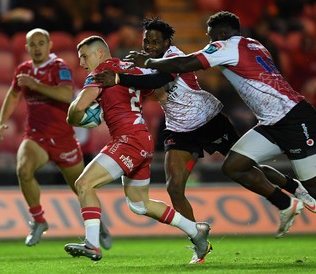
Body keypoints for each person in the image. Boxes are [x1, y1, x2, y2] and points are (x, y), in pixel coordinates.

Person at [125, 11, 316, 263]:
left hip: (293, 119)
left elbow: (182, 65)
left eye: (211, 38)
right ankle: (286, 196)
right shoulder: (254, 43)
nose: (210, 44)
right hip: (270, 123)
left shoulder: (226, 46)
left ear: (222, 35)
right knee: (234, 166)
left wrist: (146, 63)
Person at [93, 18, 316, 240]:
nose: (150, 46)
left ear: (167, 43)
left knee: (247, 165)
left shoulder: (174, 56)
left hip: (208, 120)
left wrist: (118, 77)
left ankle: (291, 189)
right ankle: (197, 239)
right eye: (146, 42)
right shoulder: (145, 60)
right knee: (174, 188)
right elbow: (140, 85)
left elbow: (156, 81)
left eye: (155, 42)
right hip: (178, 129)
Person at [64, 35, 211, 264]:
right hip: (143, 139)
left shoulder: (100, 73)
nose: (82, 63)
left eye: (84, 56)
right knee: (139, 204)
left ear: (100, 54)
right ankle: (196, 231)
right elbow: (154, 88)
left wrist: (75, 117)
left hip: (128, 139)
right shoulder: (131, 70)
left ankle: (92, 243)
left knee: (84, 184)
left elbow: (78, 108)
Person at [0, 28, 111, 249]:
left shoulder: (59, 67)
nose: (36, 48)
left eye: (41, 43)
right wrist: (2, 120)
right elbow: (13, 94)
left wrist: (35, 85)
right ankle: (39, 221)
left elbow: (66, 95)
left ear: (49, 46)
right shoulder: (24, 69)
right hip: (36, 136)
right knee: (23, 170)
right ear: (27, 48)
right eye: (32, 44)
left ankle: (98, 225)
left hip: (64, 138)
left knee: (80, 187)